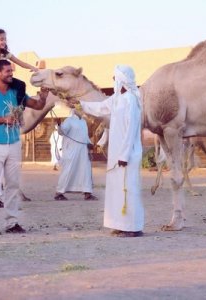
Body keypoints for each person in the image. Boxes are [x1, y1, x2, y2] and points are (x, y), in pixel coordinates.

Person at [0, 60, 48, 235]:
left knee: (13, 185)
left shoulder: (17, 91)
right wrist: (3, 120)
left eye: (11, 71)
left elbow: (37, 106)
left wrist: (43, 96)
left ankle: (12, 222)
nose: (11, 74)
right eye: (7, 71)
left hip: (14, 143)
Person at [76, 64, 143, 238]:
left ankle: (133, 227)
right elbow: (99, 108)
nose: (113, 80)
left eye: (115, 77)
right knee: (117, 190)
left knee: (129, 189)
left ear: (122, 80)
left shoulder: (131, 100)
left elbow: (130, 129)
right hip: (116, 154)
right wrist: (80, 104)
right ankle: (121, 224)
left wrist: (124, 155)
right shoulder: (117, 99)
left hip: (127, 154)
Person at [0, 28, 38, 120]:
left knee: (21, 85)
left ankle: (19, 110)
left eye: (5, 39)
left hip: (1, 78)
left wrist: (33, 68)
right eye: (1, 39)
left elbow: (20, 62)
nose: (4, 41)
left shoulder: (5, 54)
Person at [54, 108, 98, 201]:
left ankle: (87, 193)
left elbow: (85, 136)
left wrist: (89, 144)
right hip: (71, 150)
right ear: (74, 110)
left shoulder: (83, 122)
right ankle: (59, 193)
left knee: (85, 170)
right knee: (68, 170)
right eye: (80, 109)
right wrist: (59, 125)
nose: (82, 110)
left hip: (83, 150)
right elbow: (62, 132)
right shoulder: (69, 120)